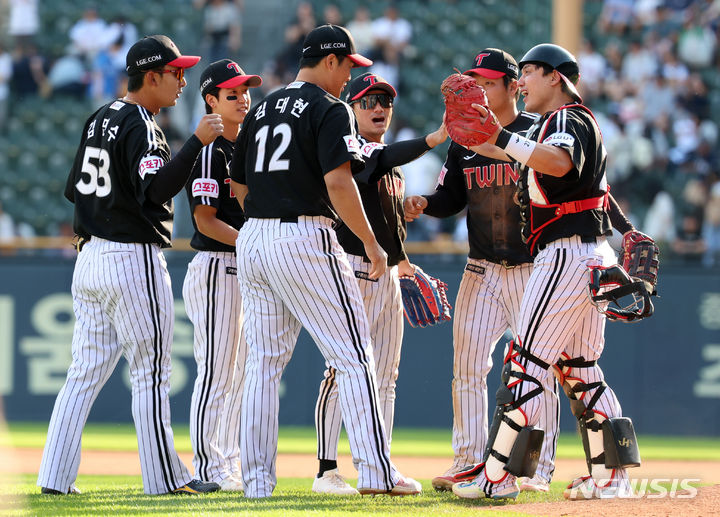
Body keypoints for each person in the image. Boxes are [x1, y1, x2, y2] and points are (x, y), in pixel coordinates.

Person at [229, 24, 421, 499]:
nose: (348, 80)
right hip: (304, 235)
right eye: (348, 67)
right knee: (355, 357)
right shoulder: (329, 107)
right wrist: (374, 246)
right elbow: (340, 184)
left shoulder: (263, 106)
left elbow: (238, 186)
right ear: (331, 61)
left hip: (253, 237)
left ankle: (256, 484)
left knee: (262, 366)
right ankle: (377, 474)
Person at [451, 43, 639, 501]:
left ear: (555, 76)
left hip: (564, 256)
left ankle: (497, 476)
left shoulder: (566, 119)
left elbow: (558, 162)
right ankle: (612, 477)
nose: (523, 82)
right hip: (589, 255)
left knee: (525, 364)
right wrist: (494, 140)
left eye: (530, 73)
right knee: (580, 370)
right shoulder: (579, 120)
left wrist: (503, 136)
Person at [37, 35, 224, 496]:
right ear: (152, 75)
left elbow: (75, 191)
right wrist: (196, 143)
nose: (182, 81)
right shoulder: (143, 124)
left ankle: (54, 480)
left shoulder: (100, 117)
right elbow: (156, 190)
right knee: (152, 370)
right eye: (176, 73)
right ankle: (165, 479)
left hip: (90, 258)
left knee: (82, 373)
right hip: (131, 257)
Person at [404, 48, 559, 494]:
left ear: (514, 87)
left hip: (534, 269)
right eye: (476, 82)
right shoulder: (463, 138)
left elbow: (555, 181)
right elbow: (450, 198)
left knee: (538, 372)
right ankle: (469, 460)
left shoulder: (537, 132)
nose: (480, 90)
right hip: (482, 268)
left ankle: (535, 467)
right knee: (467, 367)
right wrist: (423, 204)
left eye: (489, 83)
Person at [312, 71, 447, 495]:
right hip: (351, 268)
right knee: (342, 369)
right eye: (368, 101)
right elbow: (382, 159)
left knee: (386, 374)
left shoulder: (390, 165)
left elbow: (388, 225)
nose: (378, 108)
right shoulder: (350, 150)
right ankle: (326, 469)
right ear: (350, 109)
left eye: (385, 102)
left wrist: (404, 262)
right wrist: (435, 137)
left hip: (385, 272)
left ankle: (378, 464)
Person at [182, 59, 262, 492]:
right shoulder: (210, 149)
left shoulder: (248, 146)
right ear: (211, 99)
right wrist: (253, 242)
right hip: (216, 267)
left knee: (238, 373)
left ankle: (226, 462)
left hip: (243, 271)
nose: (243, 98)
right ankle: (206, 468)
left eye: (245, 91)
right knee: (216, 370)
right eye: (232, 94)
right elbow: (205, 220)